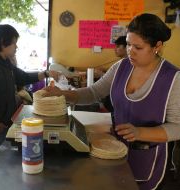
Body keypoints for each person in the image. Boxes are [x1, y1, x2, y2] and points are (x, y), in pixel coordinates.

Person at [43, 13, 180, 190]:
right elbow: (94, 92)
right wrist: (63, 94)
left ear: (157, 46)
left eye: (138, 47)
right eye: (129, 44)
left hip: (150, 159)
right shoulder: (121, 67)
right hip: (115, 152)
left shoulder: (172, 78)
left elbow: (177, 126)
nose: (130, 51)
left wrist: (139, 132)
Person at [0, 24, 59, 166]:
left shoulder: (3, 62)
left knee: (1, 166)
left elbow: (22, 77)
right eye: (15, 43)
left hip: (2, 125)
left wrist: (46, 73)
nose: (17, 47)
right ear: (4, 42)